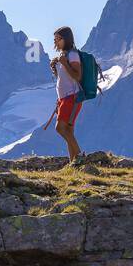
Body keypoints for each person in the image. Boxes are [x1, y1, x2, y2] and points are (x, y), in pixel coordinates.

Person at [44, 25, 83, 164]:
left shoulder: (72, 55)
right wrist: (57, 67)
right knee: (69, 131)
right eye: (54, 39)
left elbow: (77, 76)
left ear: (66, 39)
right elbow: (65, 79)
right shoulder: (64, 56)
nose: (55, 42)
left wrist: (65, 64)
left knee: (60, 128)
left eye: (58, 39)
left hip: (72, 97)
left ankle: (80, 157)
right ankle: (74, 164)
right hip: (65, 98)